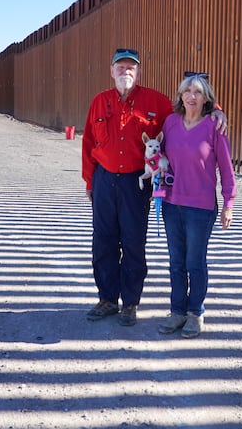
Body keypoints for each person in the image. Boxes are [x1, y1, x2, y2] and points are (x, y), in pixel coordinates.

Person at [81, 49, 226, 326]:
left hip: (137, 182)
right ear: (111, 71)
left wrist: (217, 112)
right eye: (121, 67)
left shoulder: (155, 101)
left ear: (138, 72)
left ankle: (130, 303)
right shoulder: (99, 102)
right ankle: (107, 299)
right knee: (103, 241)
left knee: (134, 242)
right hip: (104, 180)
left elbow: (191, 106)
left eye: (131, 68)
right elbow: (88, 143)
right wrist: (89, 181)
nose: (126, 72)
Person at [158, 72, 236, 338]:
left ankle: (195, 313)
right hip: (171, 203)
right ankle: (177, 311)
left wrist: (228, 203)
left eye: (198, 92)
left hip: (200, 208)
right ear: (180, 95)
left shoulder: (215, 127)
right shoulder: (170, 123)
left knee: (195, 262)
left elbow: (226, 169)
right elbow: (159, 154)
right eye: (187, 91)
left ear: (207, 99)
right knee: (175, 262)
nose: (192, 96)